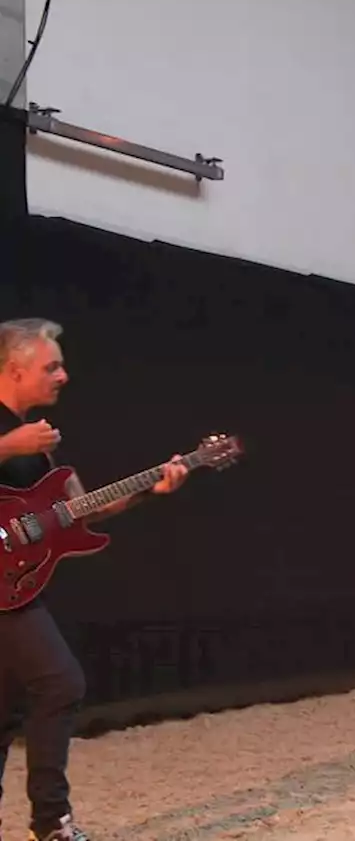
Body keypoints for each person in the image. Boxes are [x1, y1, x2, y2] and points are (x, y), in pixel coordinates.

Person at [0, 318, 189, 841]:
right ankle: (53, 824)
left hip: (12, 584)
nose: (64, 375)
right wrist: (6, 446)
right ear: (15, 369)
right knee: (61, 682)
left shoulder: (40, 445)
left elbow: (80, 512)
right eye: (51, 365)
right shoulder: (18, 438)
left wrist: (153, 486)